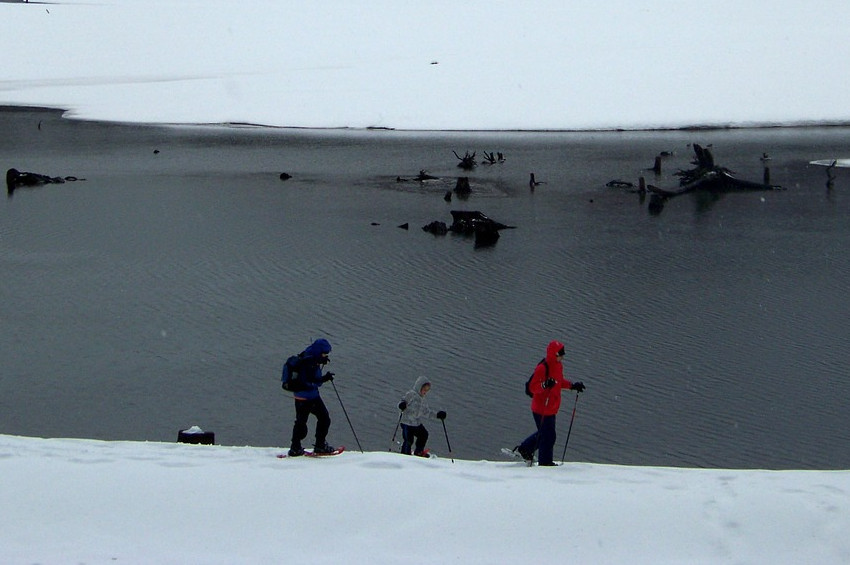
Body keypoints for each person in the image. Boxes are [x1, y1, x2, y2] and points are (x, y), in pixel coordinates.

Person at [513, 340, 585, 466]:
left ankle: (525, 449)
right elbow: (532, 387)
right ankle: (545, 463)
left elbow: (559, 382)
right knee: (549, 436)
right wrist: (545, 385)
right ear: (554, 354)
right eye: (560, 354)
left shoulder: (558, 366)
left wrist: (572, 386)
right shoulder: (542, 368)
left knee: (546, 434)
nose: (563, 357)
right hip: (541, 408)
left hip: (551, 408)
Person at [287, 338, 337, 456]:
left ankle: (295, 447)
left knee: (300, 422)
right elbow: (314, 381)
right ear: (319, 351)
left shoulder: (306, 356)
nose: (326, 355)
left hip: (299, 397)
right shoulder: (311, 362)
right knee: (324, 418)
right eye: (324, 353)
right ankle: (320, 446)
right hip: (309, 397)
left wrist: (320, 362)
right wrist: (325, 378)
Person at [397, 376, 446, 457]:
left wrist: (437, 415)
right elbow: (402, 402)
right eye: (424, 390)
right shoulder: (411, 395)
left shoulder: (422, 400)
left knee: (423, 435)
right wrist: (402, 405)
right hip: (406, 423)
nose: (425, 392)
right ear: (419, 387)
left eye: (427, 390)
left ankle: (419, 451)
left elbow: (426, 412)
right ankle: (405, 455)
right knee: (408, 440)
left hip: (416, 423)